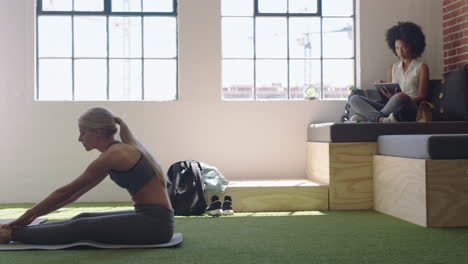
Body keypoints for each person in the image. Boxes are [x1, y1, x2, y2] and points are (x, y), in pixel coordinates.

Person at [0, 107, 174, 245]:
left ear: (97, 132)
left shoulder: (114, 155)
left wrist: (25, 217)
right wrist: (29, 219)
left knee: (81, 227)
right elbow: (74, 195)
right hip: (153, 220)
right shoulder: (115, 152)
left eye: (83, 133)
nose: (79, 138)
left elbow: (65, 192)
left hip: (154, 225)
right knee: (82, 218)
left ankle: (9, 234)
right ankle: (16, 232)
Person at [348, 21, 429, 123]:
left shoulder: (422, 67)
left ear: (412, 46)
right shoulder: (392, 68)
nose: (400, 52)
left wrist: (398, 98)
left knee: (401, 96)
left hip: (410, 109)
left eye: (404, 47)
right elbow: (388, 100)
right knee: (354, 98)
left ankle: (369, 118)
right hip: (391, 110)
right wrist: (383, 89)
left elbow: (422, 96)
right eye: (397, 48)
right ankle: (382, 119)